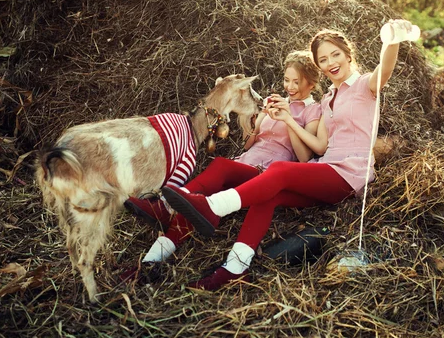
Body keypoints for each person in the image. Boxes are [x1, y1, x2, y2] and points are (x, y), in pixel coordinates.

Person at [162, 20, 413, 290]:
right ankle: (234, 268)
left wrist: (392, 39)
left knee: (280, 169)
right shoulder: (328, 99)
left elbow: (385, 68)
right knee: (269, 194)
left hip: (350, 173)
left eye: (335, 55)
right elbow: (320, 146)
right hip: (326, 168)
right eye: (323, 59)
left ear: (348, 54)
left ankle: (212, 208)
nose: (331, 63)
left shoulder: (366, 86)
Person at [124, 51, 323, 262]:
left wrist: (288, 120)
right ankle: (151, 260)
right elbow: (248, 144)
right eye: (286, 80)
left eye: (296, 82)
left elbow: (304, 157)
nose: (289, 87)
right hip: (244, 164)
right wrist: (258, 120)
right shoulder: (274, 101)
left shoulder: (313, 110)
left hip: (266, 175)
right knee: (193, 206)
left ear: (311, 84)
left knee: (220, 166)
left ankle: (163, 205)